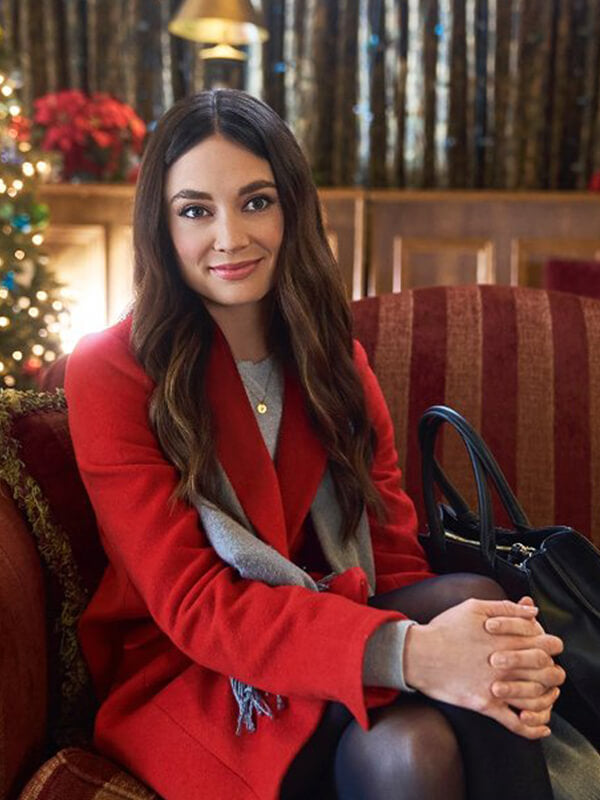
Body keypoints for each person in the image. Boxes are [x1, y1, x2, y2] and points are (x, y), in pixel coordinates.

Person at [65, 89, 580, 800]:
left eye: (255, 202)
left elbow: (393, 554)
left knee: (478, 612)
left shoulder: (332, 358)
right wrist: (413, 654)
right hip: (206, 673)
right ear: (160, 224)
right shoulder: (110, 370)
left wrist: (491, 652)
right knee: (414, 744)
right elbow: (195, 604)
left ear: (291, 208)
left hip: (336, 623)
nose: (229, 237)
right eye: (195, 211)